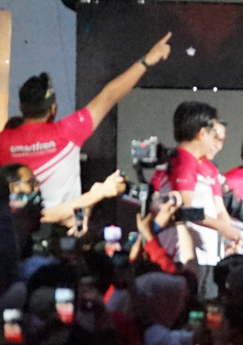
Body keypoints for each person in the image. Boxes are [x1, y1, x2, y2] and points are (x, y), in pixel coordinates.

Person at [2, 33, 171, 212]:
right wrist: (146, 61)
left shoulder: (3, 141)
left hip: (12, 228)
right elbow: (109, 95)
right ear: (53, 108)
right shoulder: (68, 131)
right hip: (65, 226)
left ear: (20, 107)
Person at [161, 102, 243, 281]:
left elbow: (220, 210)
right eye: (213, 135)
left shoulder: (208, 168)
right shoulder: (182, 161)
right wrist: (223, 227)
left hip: (209, 256)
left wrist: (230, 236)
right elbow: (185, 211)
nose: (216, 143)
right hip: (182, 257)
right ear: (202, 133)